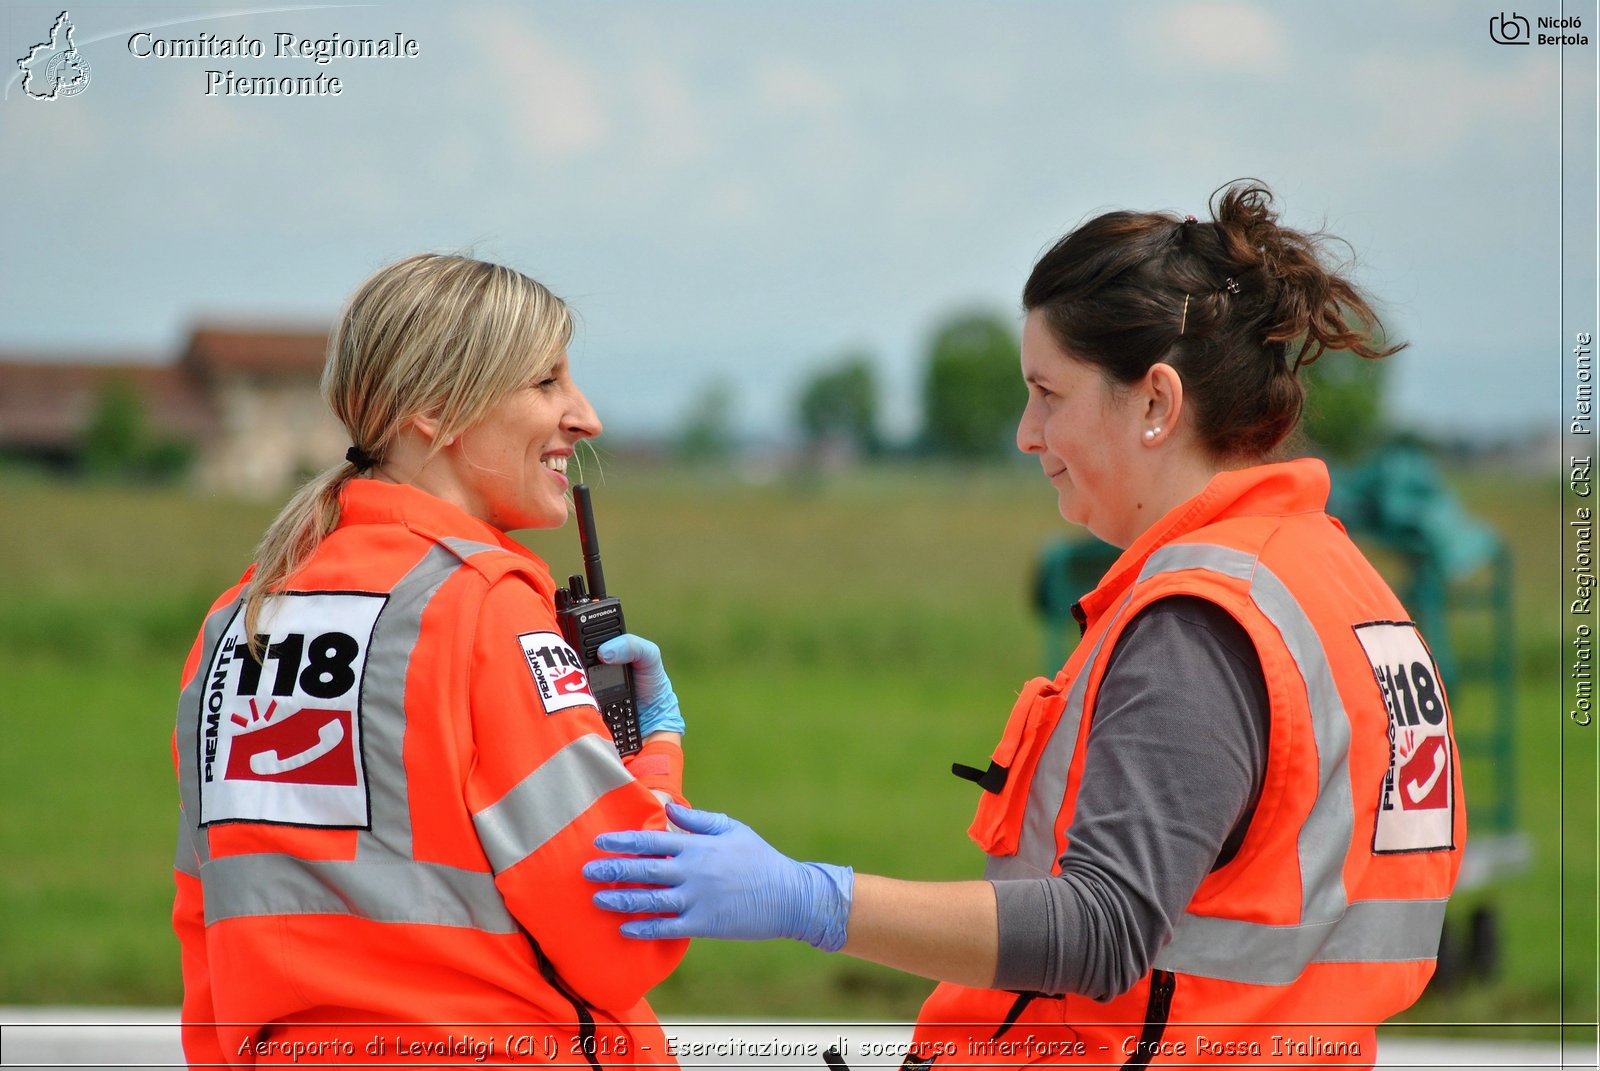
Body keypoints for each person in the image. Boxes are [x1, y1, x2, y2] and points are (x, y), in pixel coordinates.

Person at [582, 182, 1466, 1068]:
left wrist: (809, 898)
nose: (1025, 433)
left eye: (1048, 394)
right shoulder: (1337, 585)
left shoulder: (1201, 620)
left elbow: (1103, 928)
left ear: (1156, 402)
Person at [171, 253, 690, 1068]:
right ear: (435, 408)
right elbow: (623, 928)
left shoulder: (237, 620)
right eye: (546, 382)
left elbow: (208, 925)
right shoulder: (483, 606)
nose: (584, 416)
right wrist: (652, 756)